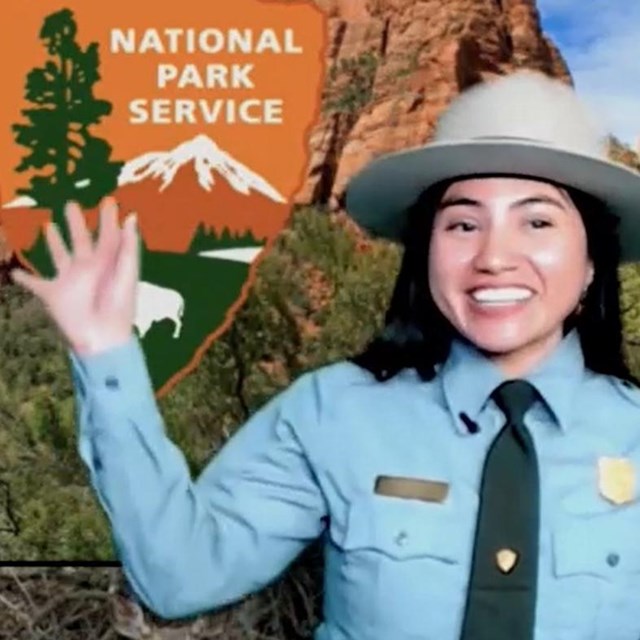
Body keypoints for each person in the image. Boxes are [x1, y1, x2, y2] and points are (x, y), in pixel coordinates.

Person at [10, 69, 640, 640]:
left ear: (591, 265)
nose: (494, 256)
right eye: (462, 224)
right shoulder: (331, 411)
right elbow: (181, 579)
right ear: (426, 252)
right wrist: (105, 350)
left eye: (537, 222)